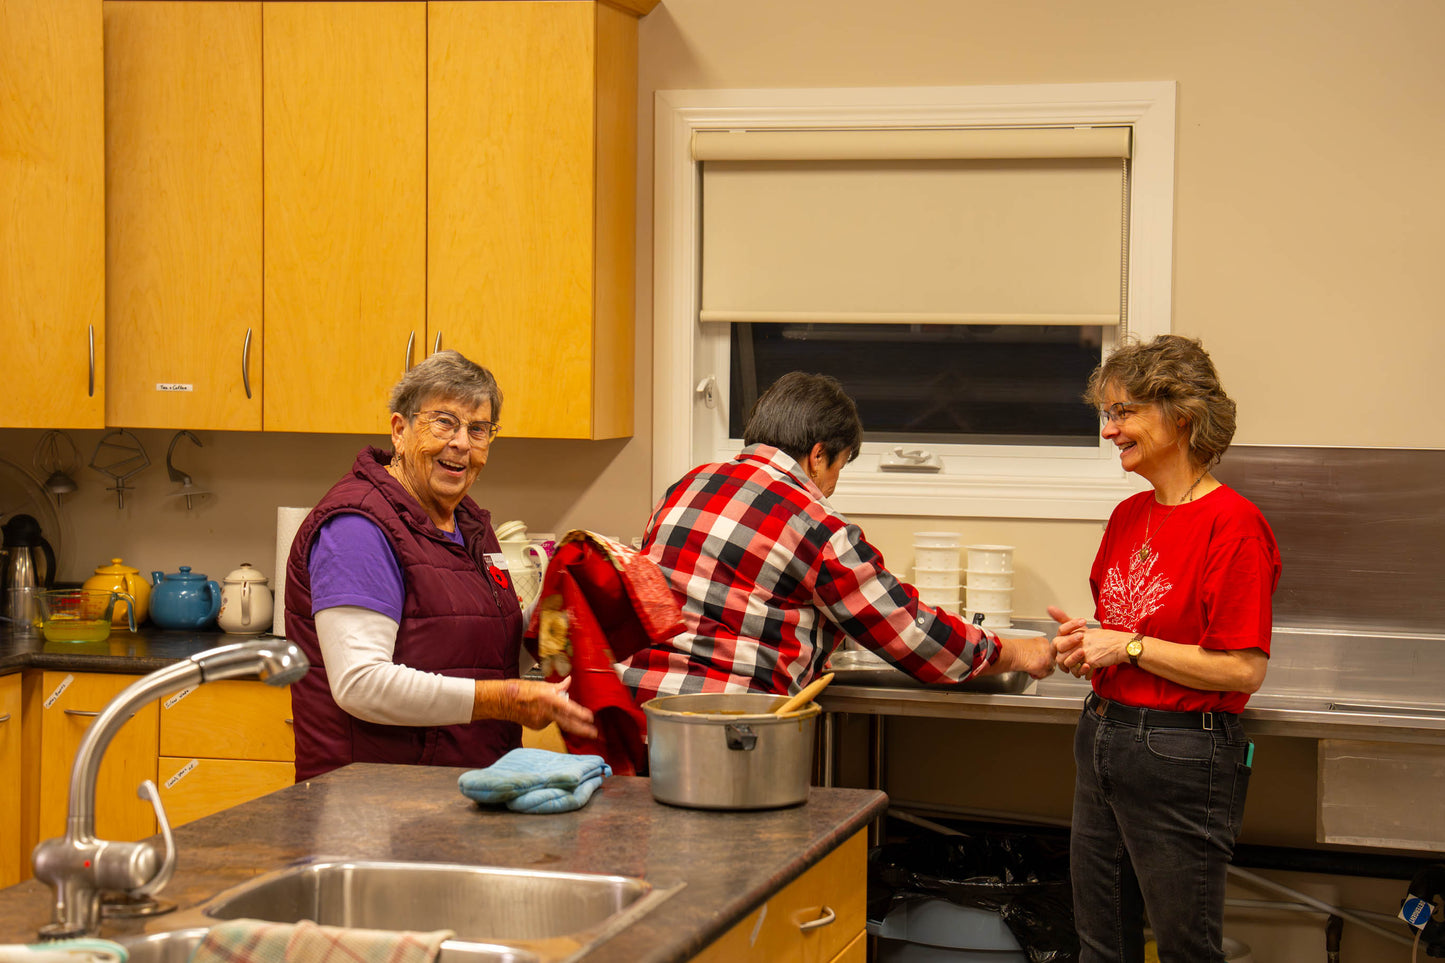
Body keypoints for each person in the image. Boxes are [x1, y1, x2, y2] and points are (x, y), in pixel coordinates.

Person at [1048, 335, 1280, 963]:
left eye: (1123, 413)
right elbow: (1126, 630)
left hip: (1181, 752)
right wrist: (1087, 644)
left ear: (1182, 414)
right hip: (1102, 733)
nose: (1108, 431)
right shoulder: (1128, 516)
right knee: (1100, 945)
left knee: (1184, 949)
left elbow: (1243, 668)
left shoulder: (1235, 525)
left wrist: (1127, 646)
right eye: (1107, 414)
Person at [619, 371, 1054, 703]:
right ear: (817, 455)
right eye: (839, 468)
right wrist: (1018, 653)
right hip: (725, 732)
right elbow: (911, 635)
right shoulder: (815, 526)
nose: (831, 487)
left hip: (633, 710)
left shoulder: (685, 487)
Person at [285, 350, 596, 781]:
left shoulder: (467, 522)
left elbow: (480, 650)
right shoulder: (358, 527)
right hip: (371, 803)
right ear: (400, 430)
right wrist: (502, 699)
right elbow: (360, 683)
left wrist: (561, 613)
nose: (462, 443)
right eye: (444, 422)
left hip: (457, 790)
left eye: (478, 429)